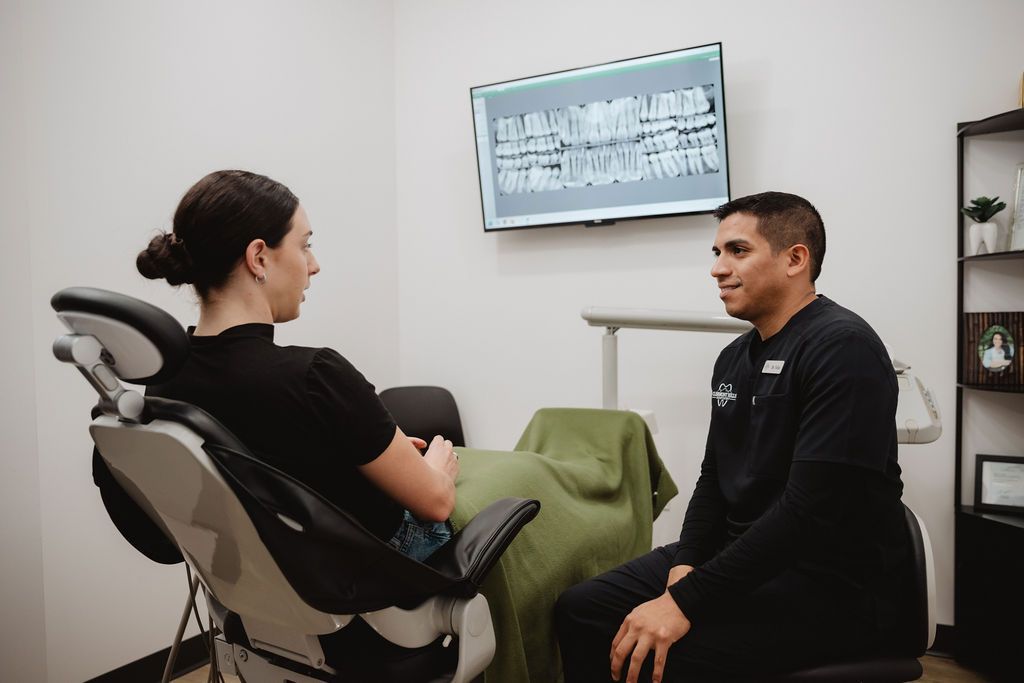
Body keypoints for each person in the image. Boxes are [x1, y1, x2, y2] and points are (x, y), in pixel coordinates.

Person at [555, 192, 915, 682]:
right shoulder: (733, 358)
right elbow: (714, 477)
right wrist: (686, 564)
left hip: (829, 585)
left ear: (795, 259)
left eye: (737, 251)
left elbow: (808, 513)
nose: (717, 269)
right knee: (581, 609)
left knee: (659, 654)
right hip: (743, 558)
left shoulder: (842, 348)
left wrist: (684, 602)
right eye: (716, 253)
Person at [135, 169, 458, 562]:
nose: (314, 264)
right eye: (304, 246)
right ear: (258, 257)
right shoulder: (315, 374)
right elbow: (436, 503)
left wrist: (355, 445)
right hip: (361, 577)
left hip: (259, 582)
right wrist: (437, 470)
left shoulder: (167, 381)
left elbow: (276, 463)